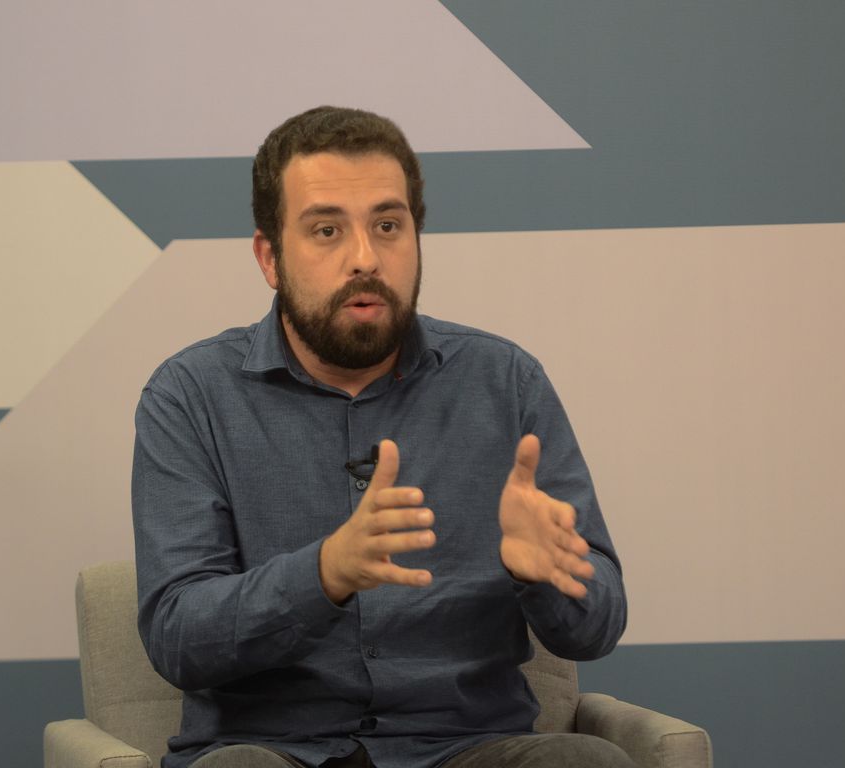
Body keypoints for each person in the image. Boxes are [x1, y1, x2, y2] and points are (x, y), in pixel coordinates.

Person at [132, 106, 631, 768]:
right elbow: (177, 638)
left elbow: (596, 630)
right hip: (277, 750)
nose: (365, 258)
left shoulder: (506, 383)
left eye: (388, 226)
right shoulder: (190, 395)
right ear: (270, 257)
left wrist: (546, 577)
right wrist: (324, 573)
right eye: (327, 230)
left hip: (466, 746)